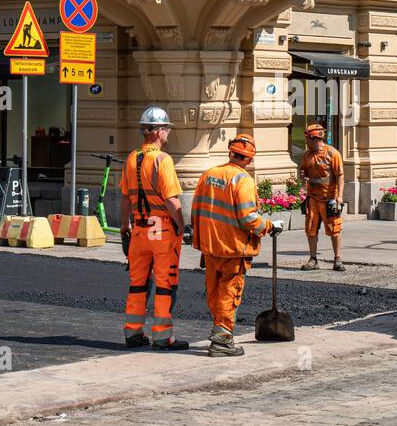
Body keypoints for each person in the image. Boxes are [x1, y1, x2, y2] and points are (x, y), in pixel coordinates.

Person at [191, 135, 284, 357]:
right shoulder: (242, 180)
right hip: (233, 248)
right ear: (250, 159)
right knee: (229, 292)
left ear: (229, 153)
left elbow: (196, 211)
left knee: (214, 292)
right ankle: (222, 340)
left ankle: (219, 332)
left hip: (211, 246)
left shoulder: (209, 175)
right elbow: (248, 218)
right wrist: (270, 226)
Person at [119, 106, 188, 350]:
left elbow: (126, 198)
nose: (168, 133)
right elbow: (171, 199)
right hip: (160, 230)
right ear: (158, 131)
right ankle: (162, 336)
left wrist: (124, 227)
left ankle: (133, 332)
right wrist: (182, 225)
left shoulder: (131, 157)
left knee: (137, 284)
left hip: (138, 230)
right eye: (166, 129)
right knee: (164, 283)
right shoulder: (162, 159)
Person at [299, 123, 345, 271]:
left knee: (334, 229)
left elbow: (340, 176)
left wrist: (339, 197)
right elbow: (303, 173)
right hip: (313, 198)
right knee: (310, 229)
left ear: (315, 139)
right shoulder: (307, 155)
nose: (306, 142)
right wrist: (302, 179)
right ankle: (313, 260)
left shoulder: (333, 154)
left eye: (308, 139)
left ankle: (337, 259)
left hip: (329, 198)